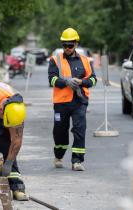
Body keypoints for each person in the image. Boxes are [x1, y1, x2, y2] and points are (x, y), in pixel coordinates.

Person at [48, 28, 97, 171]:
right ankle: (58, 155)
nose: (67, 48)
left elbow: (93, 80)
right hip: (61, 103)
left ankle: (77, 161)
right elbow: (52, 80)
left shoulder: (85, 61)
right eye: (65, 45)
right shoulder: (55, 60)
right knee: (60, 132)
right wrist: (66, 82)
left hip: (79, 101)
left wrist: (81, 82)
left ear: (76, 44)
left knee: (79, 129)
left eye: (70, 45)